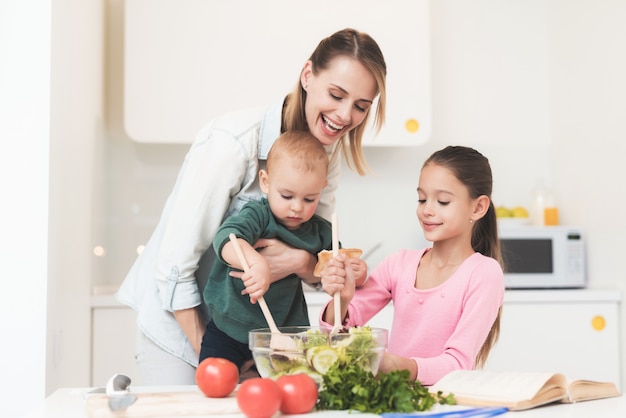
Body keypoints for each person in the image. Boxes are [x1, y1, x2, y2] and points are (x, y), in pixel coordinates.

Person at [115, 27, 387, 385]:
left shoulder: (325, 153)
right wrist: (210, 356)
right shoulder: (233, 142)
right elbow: (173, 268)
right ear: (308, 76)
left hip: (254, 338)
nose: (344, 115)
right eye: (336, 95)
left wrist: (310, 263)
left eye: (360, 106)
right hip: (182, 328)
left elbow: (313, 249)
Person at [319, 145, 505, 386]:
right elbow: (333, 336)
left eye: (443, 201)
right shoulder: (398, 264)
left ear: (478, 207)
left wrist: (394, 366)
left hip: (445, 404)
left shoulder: (483, 274)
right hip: (393, 398)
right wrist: (342, 299)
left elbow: (458, 364)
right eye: (422, 199)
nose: (427, 210)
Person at [199, 131, 366, 371]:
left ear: (322, 188)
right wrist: (257, 263)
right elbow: (226, 238)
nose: (297, 207)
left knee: (284, 389)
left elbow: (335, 268)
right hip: (228, 327)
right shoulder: (259, 214)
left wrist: (353, 271)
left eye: (310, 199)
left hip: (285, 334)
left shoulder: (322, 232)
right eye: (286, 196)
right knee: (215, 386)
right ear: (265, 182)